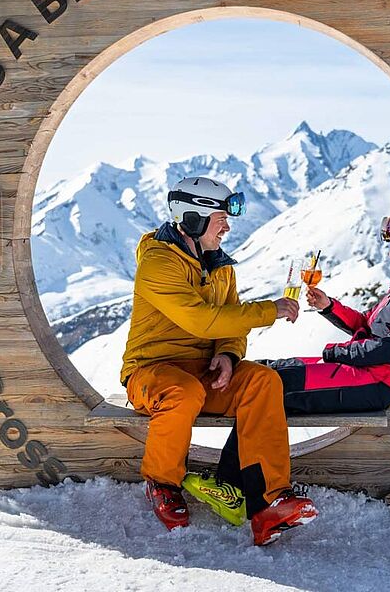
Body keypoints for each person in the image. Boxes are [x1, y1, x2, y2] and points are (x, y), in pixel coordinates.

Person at [210, 210, 390, 504]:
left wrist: (334, 352)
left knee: (270, 386)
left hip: (375, 382)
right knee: (262, 372)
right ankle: (231, 479)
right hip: (361, 371)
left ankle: (230, 485)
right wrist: (329, 306)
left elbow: (389, 350)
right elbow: (367, 324)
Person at [122, 176, 318, 545]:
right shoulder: (158, 262)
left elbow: (229, 324)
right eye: (220, 219)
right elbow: (201, 320)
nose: (227, 227)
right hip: (150, 372)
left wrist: (228, 354)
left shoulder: (221, 267)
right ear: (193, 220)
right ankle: (162, 483)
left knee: (263, 381)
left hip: (203, 373)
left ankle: (269, 504)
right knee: (184, 392)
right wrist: (269, 310)